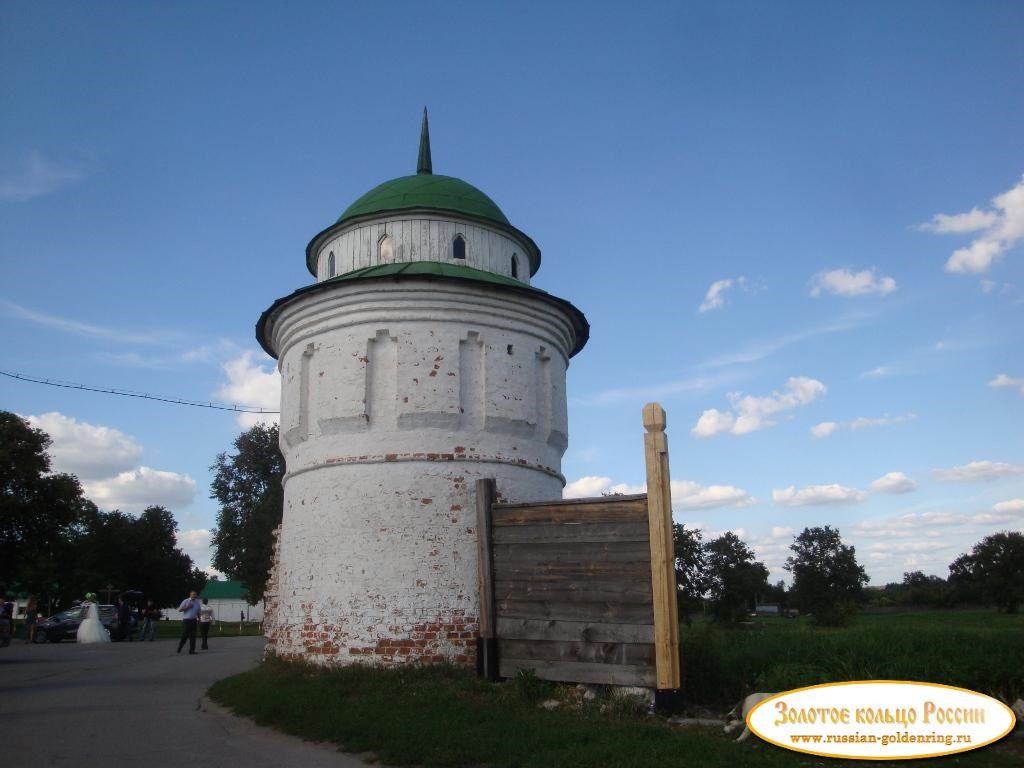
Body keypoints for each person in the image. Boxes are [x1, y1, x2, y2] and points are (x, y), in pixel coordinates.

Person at [177, 590, 201, 654]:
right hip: (186, 620)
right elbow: (179, 610)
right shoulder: (186, 601)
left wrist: (199, 619)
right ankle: (180, 646)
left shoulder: (197, 602)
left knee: (193, 636)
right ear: (190, 595)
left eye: (195, 595)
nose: (194, 596)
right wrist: (187, 607)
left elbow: (198, 611)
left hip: (194, 620)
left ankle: (192, 650)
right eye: (193, 594)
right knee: (185, 635)